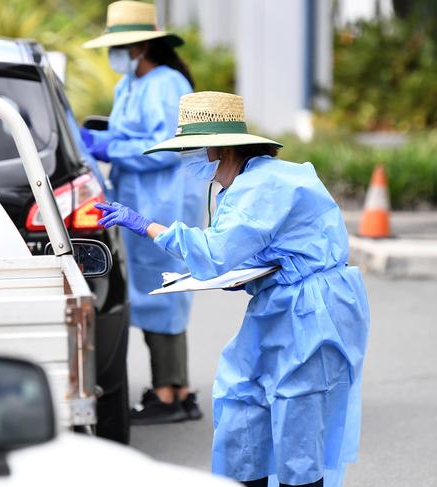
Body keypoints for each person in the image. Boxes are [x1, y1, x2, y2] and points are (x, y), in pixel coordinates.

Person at [94, 91, 370, 487]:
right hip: (281, 302)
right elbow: (258, 248)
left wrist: (146, 225)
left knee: (298, 416)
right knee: (242, 399)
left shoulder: (262, 185)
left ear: (220, 149)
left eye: (195, 148)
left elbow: (215, 252)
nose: (190, 157)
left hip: (312, 311)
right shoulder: (246, 182)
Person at [81, 0, 206, 424]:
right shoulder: (130, 84)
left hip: (166, 199)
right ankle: (173, 388)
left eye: (118, 47)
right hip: (139, 200)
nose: (112, 55)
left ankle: (172, 395)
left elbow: (164, 147)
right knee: (152, 294)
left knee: (167, 292)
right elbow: (125, 130)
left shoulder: (168, 84)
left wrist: (107, 148)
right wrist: (100, 137)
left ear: (138, 47)